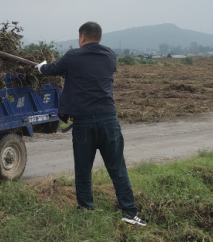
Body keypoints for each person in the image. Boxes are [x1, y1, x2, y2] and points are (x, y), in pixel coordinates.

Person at [37, 21, 146, 226]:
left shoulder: (73, 56)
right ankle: (129, 214)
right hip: (109, 120)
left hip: (84, 122)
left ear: (82, 37)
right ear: (99, 37)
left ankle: (86, 209)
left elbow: (51, 69)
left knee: (83, 169)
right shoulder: (110, 55)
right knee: (118, 169)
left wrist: (41, 66)